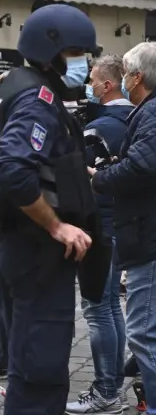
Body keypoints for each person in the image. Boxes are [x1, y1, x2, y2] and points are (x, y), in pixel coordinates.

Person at [0, 4, 105, 415]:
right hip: (34, 250)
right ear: (51, 52)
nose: (83, 64)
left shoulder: (16, 83)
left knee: (27, 357)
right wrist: (56, 226)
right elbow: (13, 170)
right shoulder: (37, 97)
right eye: (76, 54)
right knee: (41, 366)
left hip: (14, 245)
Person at [90, 41, 156, 415]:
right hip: (143, 231)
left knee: (144, 334)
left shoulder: (151, 113)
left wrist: (101, 175)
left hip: (148, 236)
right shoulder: (144, 112)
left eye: (127, 72)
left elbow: (141, 167)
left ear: (137, 77)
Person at [66, 55, 133, 414]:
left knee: (97, 309)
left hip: (102, 224)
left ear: (107, 85)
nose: (89, 85)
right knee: (110, 308)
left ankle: (107, 389)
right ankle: (113, 385)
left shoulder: (99, 127)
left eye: (93, 80)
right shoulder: (137, 119)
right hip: (124, 223)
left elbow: (84, 180)